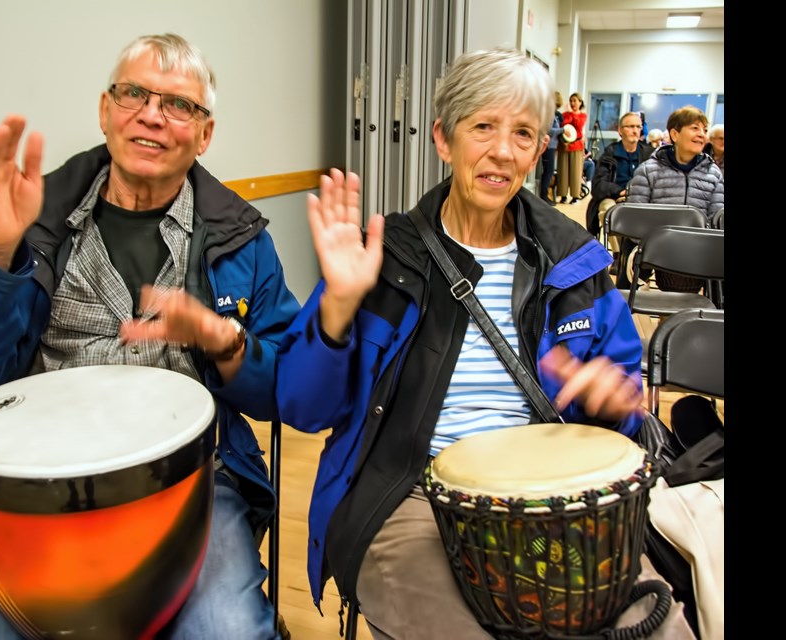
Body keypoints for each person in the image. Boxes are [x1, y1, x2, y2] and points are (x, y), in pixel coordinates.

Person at [0, 33, 300, 640]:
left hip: (192, 485)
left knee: (227, 630)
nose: (153, 114)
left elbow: (284, 390)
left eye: (179, 104)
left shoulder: (240, 239)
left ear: (205, 134)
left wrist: (225, 343)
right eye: (134, 93)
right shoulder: (36, 221)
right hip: (33, 497)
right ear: (106, 110)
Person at [276, 48, 694, 639]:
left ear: (539, 150)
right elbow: (301, 406)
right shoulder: (386, 258)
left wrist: (613, 404)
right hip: (411, 498)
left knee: (657, 626)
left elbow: (623, 412)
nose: (503, 150)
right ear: (444, 141)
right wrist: (340, 304)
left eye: (523, 133)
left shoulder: (574, 260)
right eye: (483, 127)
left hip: (553, 498)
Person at [626, 105, 724, 291]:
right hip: (657, 250)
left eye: (704, 130)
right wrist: (663, 244)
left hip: (698, 253)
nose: (702, 134)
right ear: (675, 134)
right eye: (694, 128)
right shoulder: (648, 170)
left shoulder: (714, 174)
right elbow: (635, 220)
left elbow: (716, 223)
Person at [585, 112, 655, 266]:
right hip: (616, 197)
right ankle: (618, 255)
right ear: (620, 131)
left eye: (638, 126)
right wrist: (620, 192)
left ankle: (641, 254)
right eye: (630, 126)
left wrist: (635, 194)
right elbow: (598, 186)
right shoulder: (610, 153)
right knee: (608, 209)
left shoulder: (649, 154)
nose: (635, 130)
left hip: (641, 199)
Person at [555, 92, 587, 204]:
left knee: (575, 171)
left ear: (580, 102)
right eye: (571, 101)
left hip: (577, 145)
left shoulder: (583, 116)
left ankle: (575, 196)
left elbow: (578, 125)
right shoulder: (564, 115)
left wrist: (573, 113)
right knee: (562, 170)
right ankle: (563, 194)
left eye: (575, 100)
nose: (573, 103)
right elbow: (564, 125)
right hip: (564, 145)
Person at [538, 91, 564, 203]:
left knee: (549, 171)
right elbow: (548, 130)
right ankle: (543, 196)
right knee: (548, 171)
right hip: (548, 146)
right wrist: (563, 130)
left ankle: (544, 196)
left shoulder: (553, 114)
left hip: (552, 146)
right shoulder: (549, 114)